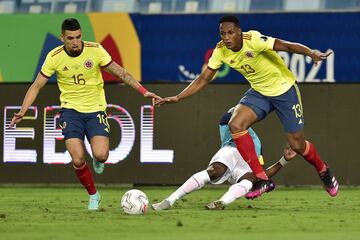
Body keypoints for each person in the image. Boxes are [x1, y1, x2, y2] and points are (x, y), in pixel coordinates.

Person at [155, 15, 338, 197]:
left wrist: (310, 53)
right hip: (259, 92)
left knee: (297, 144)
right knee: (235, 124)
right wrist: (177, 98)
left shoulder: (254, 40)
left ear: (239, 32)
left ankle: (323, 169)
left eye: (230, 33)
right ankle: (261, 179)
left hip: (284, 90)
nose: (226, 37)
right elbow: (204, 78)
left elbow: (287, 45)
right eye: (222, 34)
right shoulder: (221, 51)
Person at [9, 18, 161, 210]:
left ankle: (98, 159)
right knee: (78, 158)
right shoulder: (54, 56)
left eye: (78, 37)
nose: (75, 42)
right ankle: (93, 195)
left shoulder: (95, 50)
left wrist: (143, 91)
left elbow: (120, 73)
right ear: (62, 37)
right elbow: (37, 86)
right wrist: (23, 111)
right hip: (70, 112)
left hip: (95, 109)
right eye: (70, 38)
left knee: (101, 155)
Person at [152, 108, 297, 211]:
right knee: (216, 171)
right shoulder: (249, 137)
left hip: (243, 160)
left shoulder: (256, 155)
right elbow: (228, 117)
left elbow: (262, 175)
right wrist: (244, 114)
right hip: (233, 146)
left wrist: (284, 159)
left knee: (250, 180)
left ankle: (221, 202)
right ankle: (170, 200)